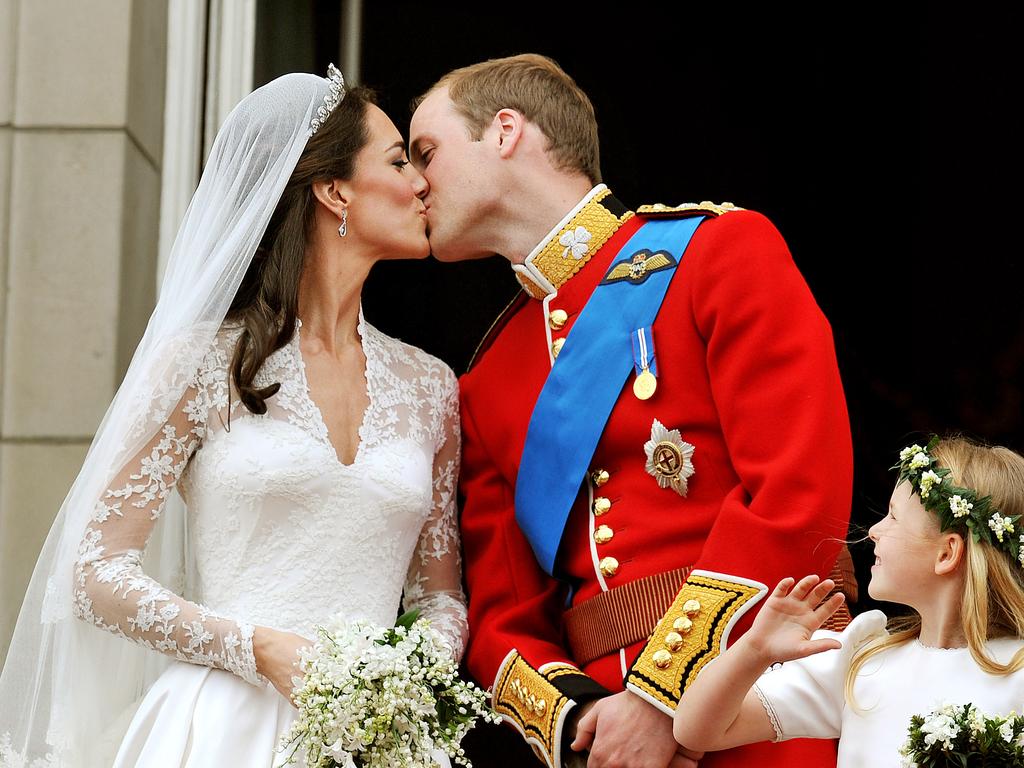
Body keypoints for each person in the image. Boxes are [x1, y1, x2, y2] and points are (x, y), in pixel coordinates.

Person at [0, 66, 467, 767]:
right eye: (400, 161)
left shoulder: (431, 387)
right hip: (221, 732)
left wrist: (395, 679)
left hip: (379, 744)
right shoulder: (200, 364)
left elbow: (441, 599)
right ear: (334, 189)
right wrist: (256, 647)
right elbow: (94, 571)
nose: (422, 182)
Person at [409, 53, 853, 768]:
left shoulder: (719, 254)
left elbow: (798, 497)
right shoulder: (487, 380)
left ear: (505, 131)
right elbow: (500, 617)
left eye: (425, 152)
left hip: (764, 704)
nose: (414, 182)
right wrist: (584, 726)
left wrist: (661, 695)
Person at [673, 436, 1024, 767]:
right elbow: (697, 730)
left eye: (894, 516)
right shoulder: (860, 660)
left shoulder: (1017, 672)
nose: (874, 530)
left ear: (947, 553)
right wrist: (754, 651)